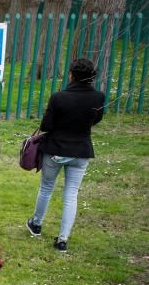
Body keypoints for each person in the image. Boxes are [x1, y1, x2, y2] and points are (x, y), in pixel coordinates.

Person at [27, 58, 105, 252]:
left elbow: (46, 125)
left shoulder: (59, 97)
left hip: (56, 149)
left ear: (71, 75)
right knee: (71, 194)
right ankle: (63, 239)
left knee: (46, 188)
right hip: (81, 151)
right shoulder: (98, 97)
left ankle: (36, 224)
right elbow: (96, 119)